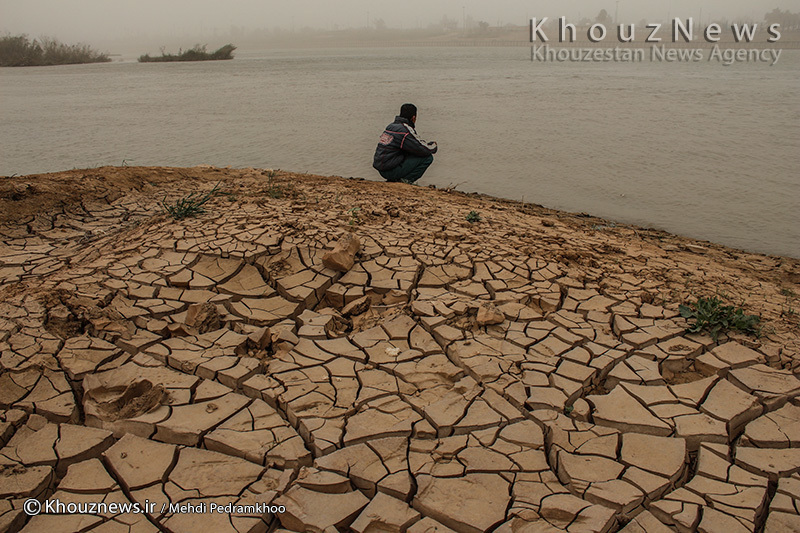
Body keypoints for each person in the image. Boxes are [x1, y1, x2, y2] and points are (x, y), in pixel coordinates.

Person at [373, 103, 438, 184]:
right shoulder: (405, 130)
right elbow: (422, 149)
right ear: (413, 118)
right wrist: (433, 146)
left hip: (382, 169)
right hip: (390, 170)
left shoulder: (391, 126)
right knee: (428, 158)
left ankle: (395, 179)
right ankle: (405, 181)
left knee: (410, 151)